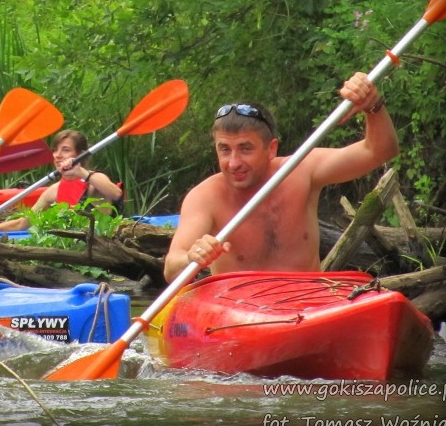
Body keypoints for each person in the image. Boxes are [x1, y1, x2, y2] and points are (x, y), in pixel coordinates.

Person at [163, 71, 399, 281]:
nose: (233, 162)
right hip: (241, 312)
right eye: (225, 149)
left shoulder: (302, 169)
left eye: (245, 149)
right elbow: (172, 268)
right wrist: (192, 258)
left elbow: (379, 151)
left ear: (272, 148)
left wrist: (372, 106)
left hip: (306, 305)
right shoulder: (205, 197)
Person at [0, 129, 123, 232]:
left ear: (81, 155)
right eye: (55, 150)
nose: (57, 155)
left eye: (65, 150)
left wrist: (80, 171)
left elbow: (116, 193)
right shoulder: (54, 190)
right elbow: (23, 223)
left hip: (102, 245)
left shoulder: (95, 180)